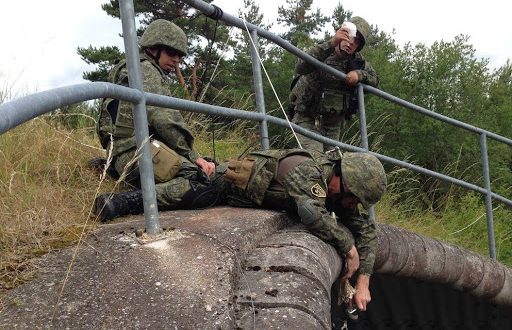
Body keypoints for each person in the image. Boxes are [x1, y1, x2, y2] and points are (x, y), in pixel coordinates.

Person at [94, 148, 386, 313]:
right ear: (341, 176)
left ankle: (118, 167)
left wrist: (364, 281)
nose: (350, 205)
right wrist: (348, 246)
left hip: (242, 192)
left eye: (355, 202)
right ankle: (118, 200)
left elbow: (368, 232)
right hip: (225, 185)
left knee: (182, 174)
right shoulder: (307, 171)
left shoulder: (336, 190)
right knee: (193, 192)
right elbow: (311, 212)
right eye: (351, 198)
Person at [94, 19, 215, 217]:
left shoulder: (131, 66)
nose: (177, 60)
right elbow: (165, 119)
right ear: (153, 48)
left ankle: (112, 169)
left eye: (180, 55)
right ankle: (124, 202)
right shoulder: (147, 71)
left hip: (122, 151)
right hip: (134, 153)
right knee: (201, 182)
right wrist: (194, 157)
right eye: (171, 53)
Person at [289, 16, 379, 152]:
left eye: (357, 41)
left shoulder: (358, 62)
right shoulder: (323, 50)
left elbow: (375, 80)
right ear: (342, 32)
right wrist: (332, 43)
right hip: (307, 117)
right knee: (315, 158)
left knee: (333, 164)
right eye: (350, 36)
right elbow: (301, 67)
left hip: (333, 125)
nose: (350, 43)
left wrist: (359, 75)